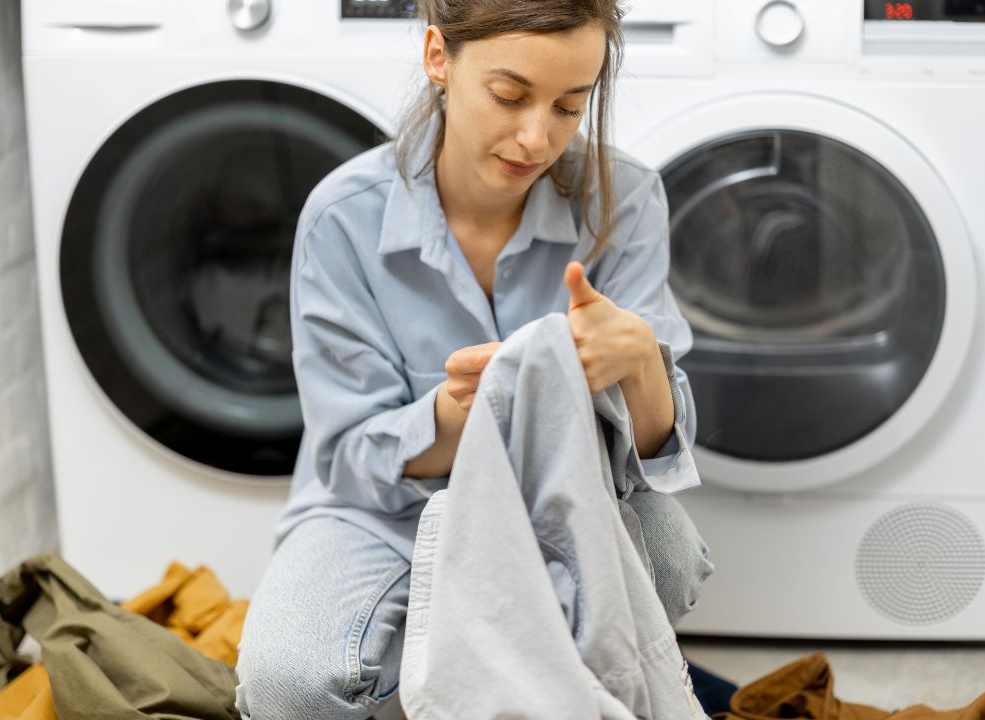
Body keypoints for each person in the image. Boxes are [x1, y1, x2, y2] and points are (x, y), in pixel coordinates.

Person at [234, 1, 714, 717]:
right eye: (510, 96)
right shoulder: (344, 217)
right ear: (438, 58)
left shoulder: (627, 198)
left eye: (568, 106)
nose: (536, 137)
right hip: (384, 511)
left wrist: (642, 364)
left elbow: (651, 458)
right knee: (290, 684)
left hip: (569, 494)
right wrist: (460, 415)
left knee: (670, 562)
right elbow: (351, 456)